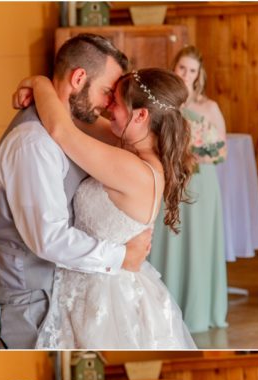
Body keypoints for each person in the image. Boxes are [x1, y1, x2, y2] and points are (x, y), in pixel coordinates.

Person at [0, 34, 152, 349]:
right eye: (107, 92)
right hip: (26, 301)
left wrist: (39, 83)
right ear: (79, 78)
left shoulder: (73, 127)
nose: (109, 106)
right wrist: (122, 256)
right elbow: (49, 237)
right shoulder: (33, 143)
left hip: (55, 292)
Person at [13, 67, 196, 349]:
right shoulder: (132, 148)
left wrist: (38, 81)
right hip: (90, 279)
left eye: (117, 103)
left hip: (104, 296)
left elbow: (62, 130)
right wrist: (44, 93)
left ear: (141, 115)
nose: (109, 108)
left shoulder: (134, 169)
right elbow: (74, 118)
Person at [149, 45, 228, 334]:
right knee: (166, 241)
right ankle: (161, 308)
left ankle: (197, 311)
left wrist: (196, 154)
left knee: (198, 245)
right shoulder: (162, 104)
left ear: (199, 75)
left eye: (191, 70)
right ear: (174, 67)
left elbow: (221, 152)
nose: (186, 74)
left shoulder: (209, 108)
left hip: (201, 182)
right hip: (169, 178)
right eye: (182, 67)